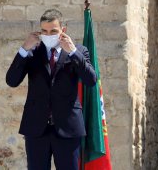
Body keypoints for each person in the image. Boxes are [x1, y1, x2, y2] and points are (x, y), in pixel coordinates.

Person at [6, 9, 97, 170]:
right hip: (36, 128)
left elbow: (91, 80)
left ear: (63, 30)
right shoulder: (32, 52)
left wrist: (73, 52)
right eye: (44, 31)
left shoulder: (79, 51)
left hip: (68, 128)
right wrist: (23, 49)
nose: (48, 35)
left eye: (53, 31)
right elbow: (11, 81)